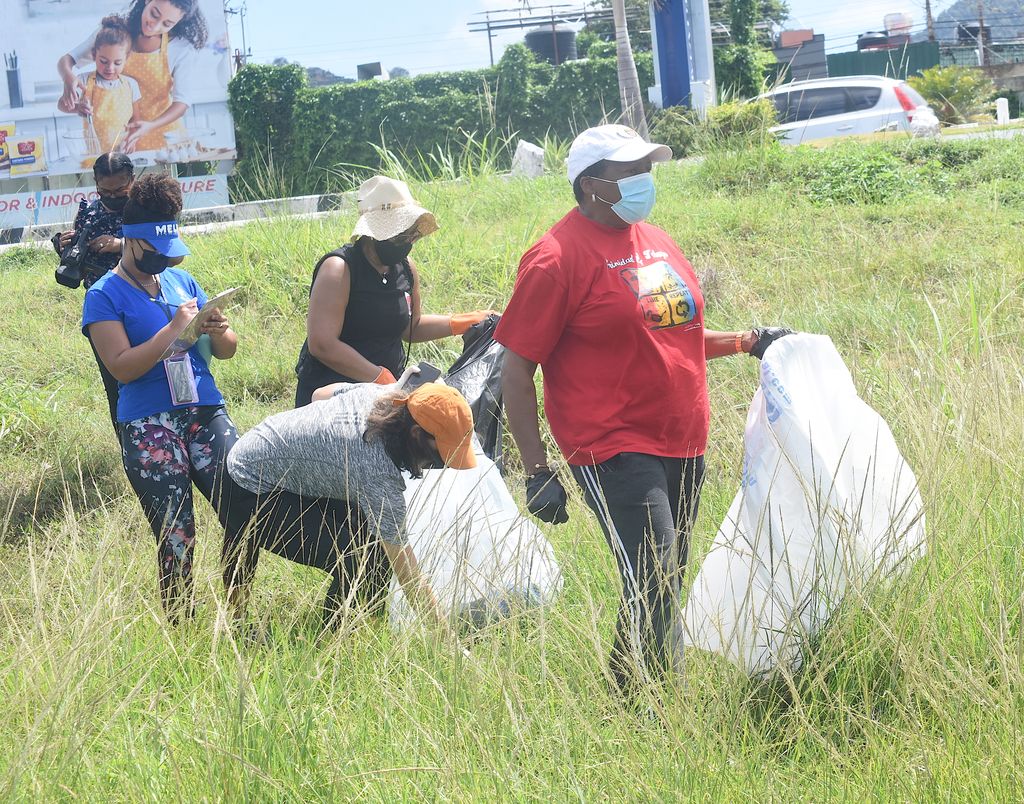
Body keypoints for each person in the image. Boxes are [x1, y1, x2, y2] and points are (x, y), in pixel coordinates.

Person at [494, 124, 793, 698]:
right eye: (628, 172)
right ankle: (660, 713)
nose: (643, 181)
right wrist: (536, 471)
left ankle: (624, 697)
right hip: (610, 442)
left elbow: (674, 332)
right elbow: (516, 368)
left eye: (645, 169)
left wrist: (749, 340)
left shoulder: (654, 240)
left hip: (682, 433)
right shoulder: (555, 258)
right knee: (655, 575)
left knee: (661, 577)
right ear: (590, 186)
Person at [82, 172, 239, 621]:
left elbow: (226, 352)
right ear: (132, 242)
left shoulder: (182, 281)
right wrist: (174, 330)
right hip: (149, 420)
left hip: (204, 409)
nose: (163, 262)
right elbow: (122, 367)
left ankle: (237, 613)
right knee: (177, 532)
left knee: (244, 504)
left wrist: (218, 329)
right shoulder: (103, 297)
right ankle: (183, 628)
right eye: (154, 253)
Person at [223, 381, 478, 633]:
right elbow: (405, 569)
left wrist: (321, 445)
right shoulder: (377, 469)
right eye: (440, 453)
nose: (439, 462)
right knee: (365, 559)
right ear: (416, 434)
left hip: (254, 448)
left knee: (369, 539)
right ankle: (333, 646)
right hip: (248, 488)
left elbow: (319, 393)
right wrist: (446, 638)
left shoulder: (381, 394)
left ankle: (363, 626)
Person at [294, 175, 496, 408]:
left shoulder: (406, 268)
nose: (407, 241)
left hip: (387, 393)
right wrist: (380, 377)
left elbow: (412, 328)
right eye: (399, 235)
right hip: (331, 396)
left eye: (410, 234)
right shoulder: (339, 269)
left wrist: (461, 322)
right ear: (373, 234)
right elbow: (322, 344)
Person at [57, 0, 208, 152]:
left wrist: (150, 126)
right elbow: (68, 60)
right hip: (118, 142)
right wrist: (67, 77)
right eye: (154, 14)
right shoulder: (113, 34)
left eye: (167, 24)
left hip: (165, 140)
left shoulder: (180, 47)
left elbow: (182, 103)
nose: (154, 26)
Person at [53, 151, 135, 431]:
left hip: (142, 301)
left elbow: (166, 250)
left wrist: (119, 245)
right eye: (105, 191)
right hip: (102, 310)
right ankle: (127, 444)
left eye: (119, 189)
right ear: (96, 184)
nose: (112, 196)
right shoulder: (88, 213)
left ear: (131, 181)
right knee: (115, 384)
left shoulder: (145, 209)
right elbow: (79, 269)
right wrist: (66, 249)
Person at [75, 16, 143, 157]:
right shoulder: (83, 81)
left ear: (127, 58)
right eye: (103, 61)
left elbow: (136, 121)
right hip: (94, 155)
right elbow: (62, 105)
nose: (110, 68)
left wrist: (132, 139)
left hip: (124, 153)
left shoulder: (131, 85)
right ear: (94, 54)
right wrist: (77, 107)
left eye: (117, 63)